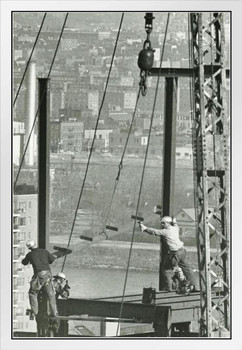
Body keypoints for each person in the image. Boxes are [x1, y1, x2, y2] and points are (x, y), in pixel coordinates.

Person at [139, 216, 198, 294]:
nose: (162, 225)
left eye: (163, 223)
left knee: (167, 270)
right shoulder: (175, 228)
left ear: (167, 223)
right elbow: (176, 225)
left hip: (175, 253)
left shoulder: (167, 231)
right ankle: (194, 286)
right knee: (187, 269)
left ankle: (169, 290)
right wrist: (175, 221)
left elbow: (155, 232)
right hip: (182, 251)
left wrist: (145, 228)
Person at [21, 240, 58, 317]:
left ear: (29, 248)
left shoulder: (30, 254)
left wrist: (24, 258)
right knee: (51, 294)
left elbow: (24, 262)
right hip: (48, 274)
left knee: (33, 293)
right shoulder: (44, 251)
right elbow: (51, 260)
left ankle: (35, 312)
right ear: (35, 244)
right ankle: (54, 312)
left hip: (39, 275)